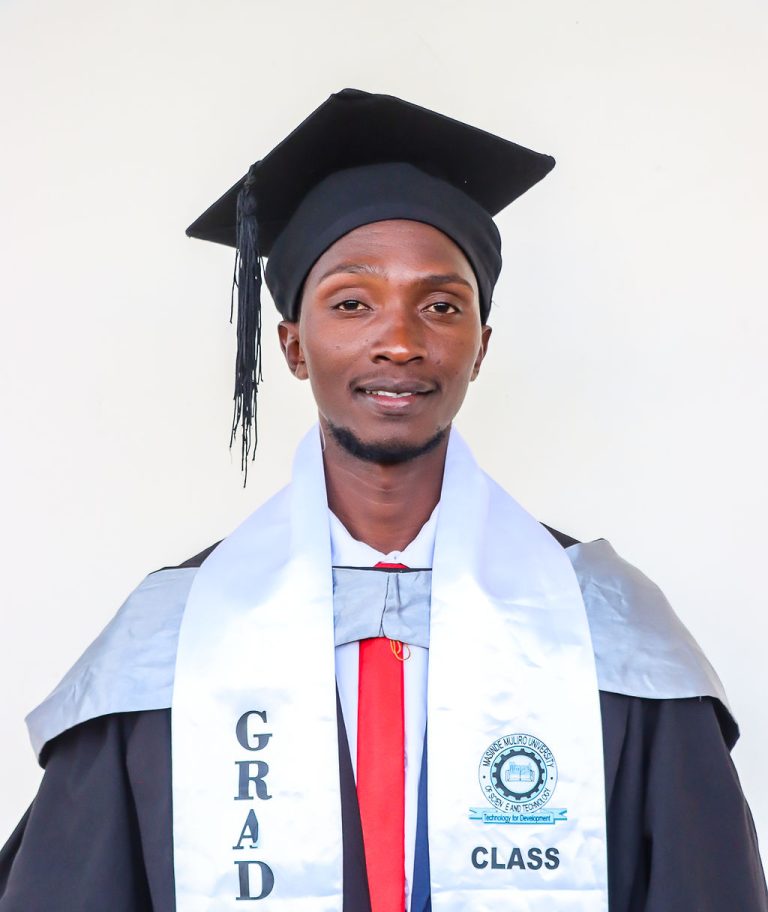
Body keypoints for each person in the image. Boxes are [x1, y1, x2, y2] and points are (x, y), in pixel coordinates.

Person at [0, 88, 765, 912]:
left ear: (480, 347)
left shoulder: (605, 628)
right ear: (293, 346)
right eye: (351, 304)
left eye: (441, 306)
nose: (399, 341)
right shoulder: (171, 643)